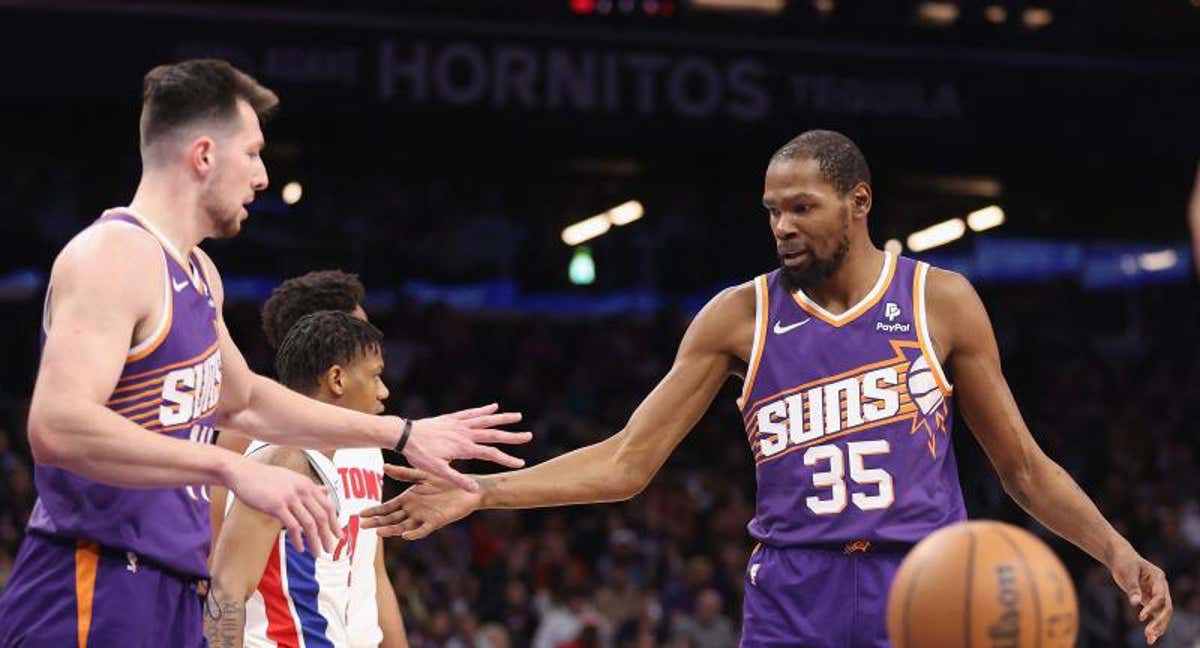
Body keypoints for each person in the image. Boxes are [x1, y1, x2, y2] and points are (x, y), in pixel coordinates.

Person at [364, 130, 1173, 646]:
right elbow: (626, 462)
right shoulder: (736, 318)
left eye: (802, 207)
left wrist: (1114, 551)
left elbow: (1023, 468)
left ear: (858, 204)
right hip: (793, 594)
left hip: (923, 582)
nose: (782, 224)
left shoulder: (940, 300)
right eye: (771, 210)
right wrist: (481, 493)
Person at [0, 59, 527, 647]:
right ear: (203, 155)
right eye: (251, 154)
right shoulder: (114, 255)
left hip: (172, 585)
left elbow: (244, 401)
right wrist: (232, 466)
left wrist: (402, 435)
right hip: (93, 574)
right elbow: (56, 426)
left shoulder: (199, 274)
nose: (261, 177)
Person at [210, 269, 404, 648]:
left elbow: (371, 570)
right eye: (357, 329)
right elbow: (219, 569)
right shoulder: (250, 435)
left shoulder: (367, 439)